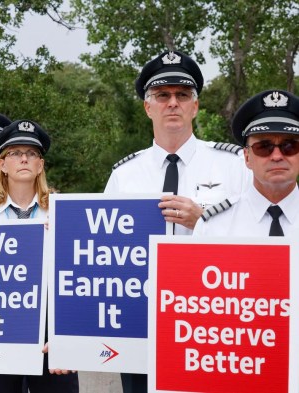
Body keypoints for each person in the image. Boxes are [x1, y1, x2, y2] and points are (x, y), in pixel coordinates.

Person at [104, 51, 251, 392]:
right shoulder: (124, 174)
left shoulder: (233, 166)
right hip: (140, 323)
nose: (173, 103)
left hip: (210, 324)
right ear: (148, 107)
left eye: (182, 95)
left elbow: (257, 238)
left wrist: (204, 221)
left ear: (195, 107)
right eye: (163, 95)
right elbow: (104, 252)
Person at [0, 120, 77, 393]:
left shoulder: (62, 211)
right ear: (3, 164)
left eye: (31, 153)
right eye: (14, 153)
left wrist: (66, 336)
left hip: (49, 330)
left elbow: (77, 280)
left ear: (40, 165)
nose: (23, 158)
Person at [194, 90, 299, 236]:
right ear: (247, 157)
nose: (276, 156)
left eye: (289, 146)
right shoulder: (214, 227)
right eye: (264, 147)